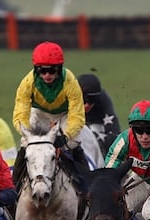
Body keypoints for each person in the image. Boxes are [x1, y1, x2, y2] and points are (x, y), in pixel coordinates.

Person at [11, 41, 99, 190]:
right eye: (42, 71)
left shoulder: (70, 81)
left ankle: (87, 185)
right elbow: (21, 114)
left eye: (52, 71)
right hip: (39, 114)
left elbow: (77, 115)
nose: (47, 75)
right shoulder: (28, 82)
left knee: (74, 142)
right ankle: (14, 185)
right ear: (36, 70)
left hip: (64, 115)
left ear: (59, 68)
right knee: (26, 142)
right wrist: (28, 134)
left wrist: (65, 136)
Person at [77, 73, 122, 154]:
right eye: (83, 99)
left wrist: (96, 138)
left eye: (92, 99)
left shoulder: (103, 100)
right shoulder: (68, 98)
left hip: (97, 126)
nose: (87, 105)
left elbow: (114, 134)